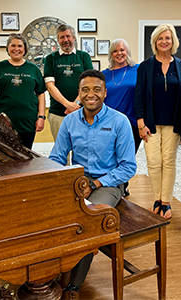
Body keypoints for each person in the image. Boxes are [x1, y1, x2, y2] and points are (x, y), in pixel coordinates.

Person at [49, 69, 137, 299]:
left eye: (97, 89)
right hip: (77, 181)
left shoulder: (120, 122)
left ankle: (73, 285)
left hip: (109, 183)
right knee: (49, 213)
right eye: (85, 89)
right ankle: (51, 272)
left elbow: (128, 167)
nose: (91, 94)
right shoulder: (69, 121)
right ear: (78, 93)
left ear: (105, 93)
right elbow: (57, 158)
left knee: (88, 218)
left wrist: (96, 184)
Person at [134, 24, 181, 219]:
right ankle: (157, 199)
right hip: (150, 123)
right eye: (160, 38)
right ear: (154, 41)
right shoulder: (145, 66)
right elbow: (138, 95)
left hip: (173, 123)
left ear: (173, 41)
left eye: (168, 38)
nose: (164, 42)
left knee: (169, 161)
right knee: (154, 162)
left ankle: (166, 202)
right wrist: (140, 122)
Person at [0, 34, 46, 149]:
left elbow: (41, 93)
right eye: (13, 45)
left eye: (20, 46)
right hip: (3, 121)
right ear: (8, 48)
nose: (16, 49)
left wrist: (41, 117)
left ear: (25, 49)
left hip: (27, 121)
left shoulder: (33, 69)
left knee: (25, 154)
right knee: (4, 154)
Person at [102, 38, 141, 197]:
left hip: (132, 122)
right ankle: (113, 187)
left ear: (127, 51)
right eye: (115, 51)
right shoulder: (104, 74)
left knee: (126, 157)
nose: (119, 53)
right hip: (109, 123)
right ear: (111, 54)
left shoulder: (137, 70)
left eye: (122, 50)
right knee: (111, 157)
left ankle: (122, 186)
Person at [43, 24, 93, 141]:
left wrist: (75, 104)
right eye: (61, 37)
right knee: (61, 152)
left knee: (81, 150)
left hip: (82, 112)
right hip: (57, 113)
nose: (65, 40)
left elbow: (89, 84)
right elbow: (50, 86)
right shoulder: (51, 59)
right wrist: (68, 105)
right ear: (58, 40)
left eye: (68, 36)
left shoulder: (84, 57)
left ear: (74, 38)